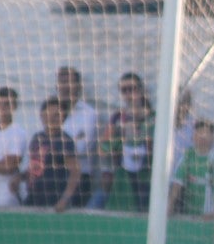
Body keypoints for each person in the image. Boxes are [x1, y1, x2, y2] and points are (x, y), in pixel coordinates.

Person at [100, 72, 155, 212]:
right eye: (124, 90)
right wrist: (121, 139)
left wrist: (140, 136)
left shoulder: (154, 117)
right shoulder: (118, 118)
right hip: (123, 176)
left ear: (141, 90)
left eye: (132, 88)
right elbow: (102, 148)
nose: (128, 93)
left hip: (148, 177)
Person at [18, 97, 80, 211]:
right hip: (33, 198)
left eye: (56, 115)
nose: (51, 118)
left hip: (54, 199)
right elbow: (35, 167)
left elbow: (75, 173)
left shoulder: (65, 141)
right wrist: (19, 178)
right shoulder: (37, 138)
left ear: (64, 117)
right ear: (41, 115)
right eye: (48, 114)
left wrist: (64, 199)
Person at [55, 66, 98, 207]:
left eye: (69, 83)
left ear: (78, 86)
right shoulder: (50, 111)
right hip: (51, 177)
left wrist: (52, 150)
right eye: (62, 83)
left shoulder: (89, 113)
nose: (65, 87)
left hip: (79, 178)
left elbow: (81, 147)